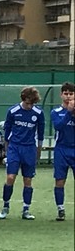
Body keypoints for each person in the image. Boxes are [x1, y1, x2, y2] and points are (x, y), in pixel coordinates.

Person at [0, 86, 45, 220]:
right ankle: (5, 206)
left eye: (33, 103)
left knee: (28, 180)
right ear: (23, 99)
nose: (31, 106)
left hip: (29, 148)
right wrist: (7, 149)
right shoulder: (13, 111)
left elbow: (40, 134)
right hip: (15, 147)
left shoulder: (38, 113)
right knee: (10, 178)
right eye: (29, 103)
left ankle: (26, 209)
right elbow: (7, 132)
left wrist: (39, 150)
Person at [49, 81, 74, 221]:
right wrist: (69, 113)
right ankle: (60, 209)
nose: (68, 97)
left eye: (71, 94)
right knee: (60, 180)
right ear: (61, 95)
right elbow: (59, 126)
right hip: (62, 150)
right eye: (66, 94)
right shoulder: (56, 112)